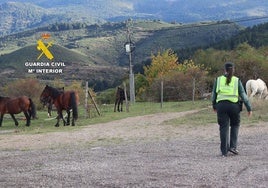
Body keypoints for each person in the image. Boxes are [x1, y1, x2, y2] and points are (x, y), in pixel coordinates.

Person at [211, 62, 252, 157]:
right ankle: (233, 147)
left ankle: (224, 151)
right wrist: (249, 108)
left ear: (224, 70)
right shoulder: (237, 80)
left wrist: (214, 105)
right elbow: (244, 96)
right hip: (234, 106)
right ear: (233, 70)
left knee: (223, 127)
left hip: (221, 106)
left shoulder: (218, 80)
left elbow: (214, 95)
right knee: (235, 125)